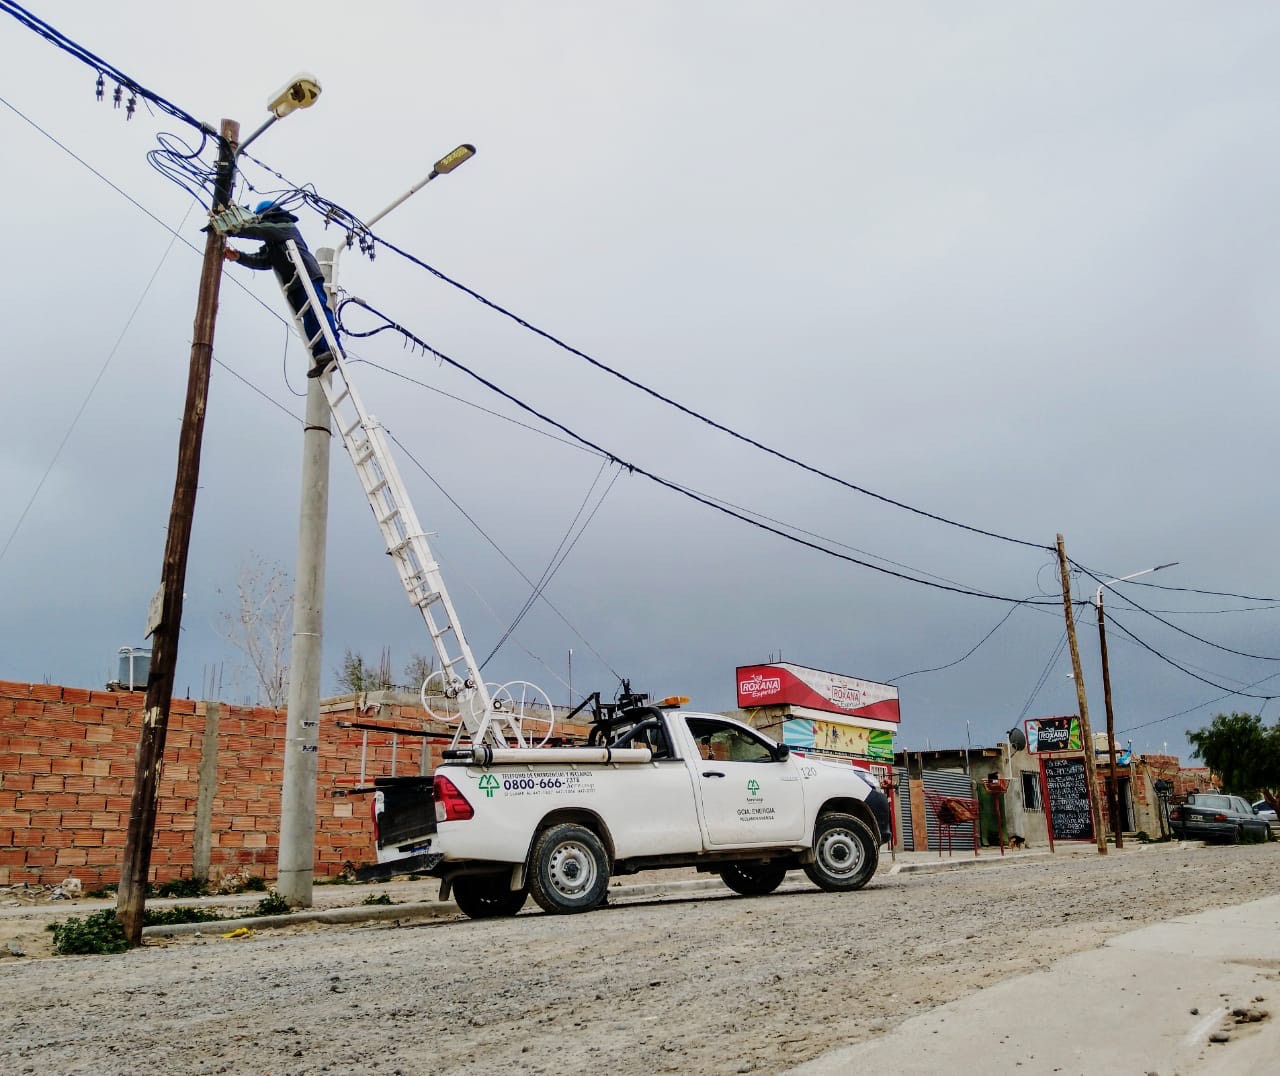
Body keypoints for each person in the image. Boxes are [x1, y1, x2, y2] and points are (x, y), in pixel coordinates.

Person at [222, 200, 340, 378]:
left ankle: (333, 348)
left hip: (307, 275)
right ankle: (321, 356)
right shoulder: (272, 243)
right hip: (294, 283)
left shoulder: (285, 226)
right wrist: (239, 257)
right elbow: (262, 260)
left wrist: (236, 228)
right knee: (309, 320)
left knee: (319, 311)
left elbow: (263, 230)